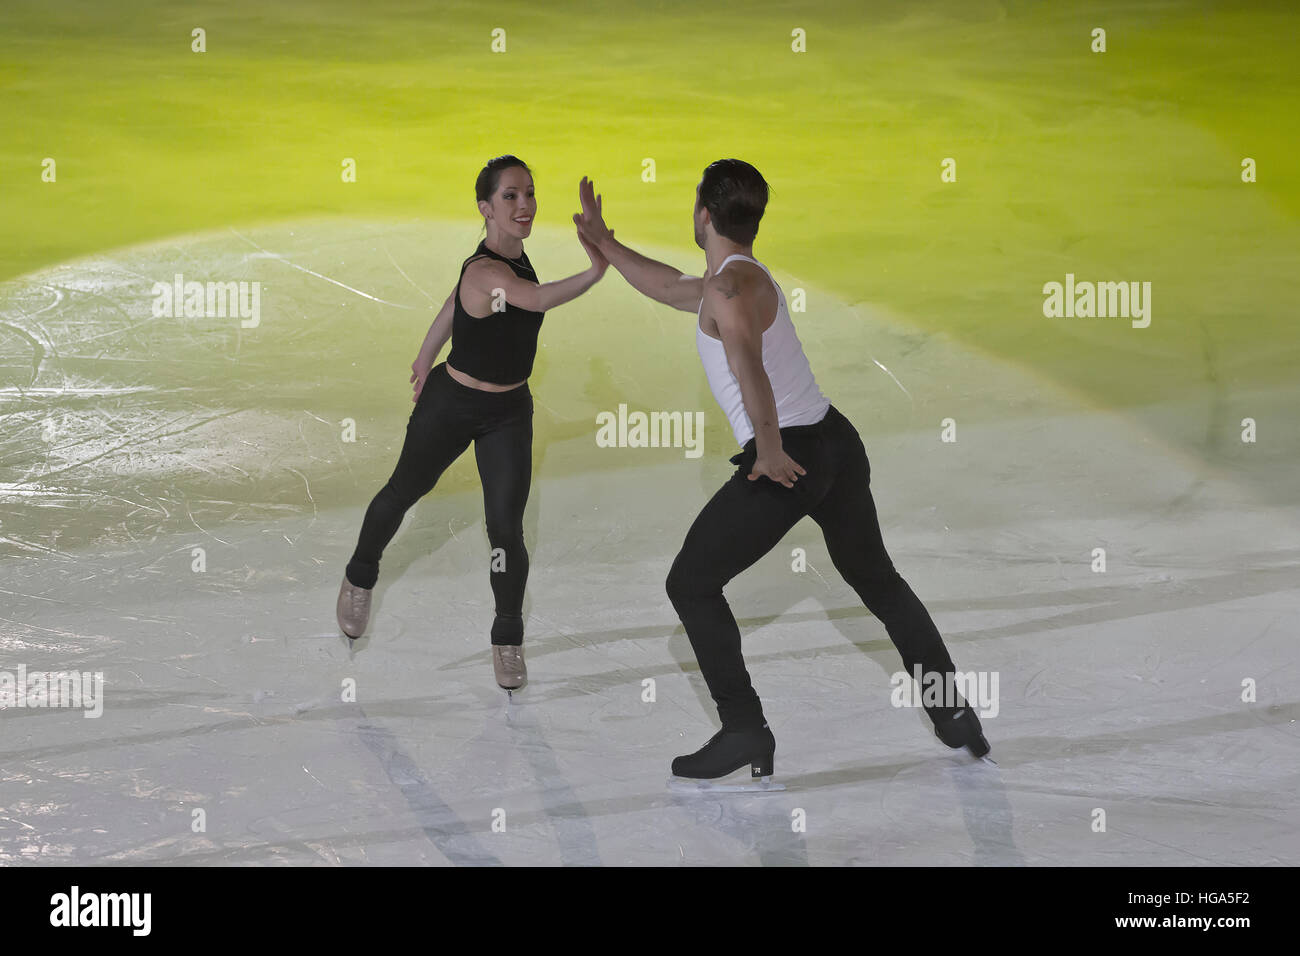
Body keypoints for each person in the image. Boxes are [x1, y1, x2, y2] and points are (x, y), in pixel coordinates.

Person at [573, 160, 990, 781]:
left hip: (791, 451)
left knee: (690, 583)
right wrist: (606, 244)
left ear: (703, 215)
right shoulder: (735, 278)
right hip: (834, 440)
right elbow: (668, 286)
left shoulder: (729, 291)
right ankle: (954, 715)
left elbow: (749, 367)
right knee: (877, 580)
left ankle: (744, 728)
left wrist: (767, 452)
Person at [338, 155, 609, 692]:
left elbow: (454, 303)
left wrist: (424, 351)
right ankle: (359, 576)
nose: (525, 205)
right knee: (401, 493)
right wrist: (597, 269)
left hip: (508, 414)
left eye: (529, 193)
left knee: (506, 529)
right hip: (453, 405)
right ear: (486, 208)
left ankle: (507, 637)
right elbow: (533, 299)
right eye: (510, 196)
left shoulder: (509, 263)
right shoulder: (489, 269)